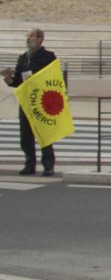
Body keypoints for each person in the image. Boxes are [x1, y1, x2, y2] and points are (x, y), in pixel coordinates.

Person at [3, 28, 58, 175]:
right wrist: (9, 79)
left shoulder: (49, 57)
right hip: (27, 101)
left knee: (44, 134)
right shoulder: (23, 58)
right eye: (28, 36)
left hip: (42, 102)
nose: (28, 38)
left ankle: (48, 165)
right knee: (25, 135)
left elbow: (53, 77)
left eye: (32, 36)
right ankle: (29, 164)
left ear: (40, 39)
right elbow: (17, 82)